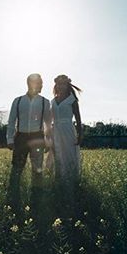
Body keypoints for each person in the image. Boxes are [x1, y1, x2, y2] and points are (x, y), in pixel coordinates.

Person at [6, 73, 52, 216]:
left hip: (37, 137)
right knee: (17, 167)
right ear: (29, 83)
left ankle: (36, 197)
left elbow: (47, 123)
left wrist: (48, 141)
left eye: (41, 83)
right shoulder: (18, 101)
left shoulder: (45, 102)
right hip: (20, 137)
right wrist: (9, 139)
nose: (40, 85)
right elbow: (11, 120)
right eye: (38, 82)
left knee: (37, 168)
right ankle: (13, 198)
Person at [46, 74, 82, 216]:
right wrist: (47, 135)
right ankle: (57, 185)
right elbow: (49, 120)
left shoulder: (72, 100)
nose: (61, 86)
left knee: (69, 157)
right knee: (56, 157)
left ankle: (71, 187)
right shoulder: (52, 101)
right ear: (56, 86)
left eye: (64, 84)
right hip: (55, 131)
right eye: (59, 84)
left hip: (68, 130)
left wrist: (80, 134)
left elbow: (78, 119)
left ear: (68, 85)